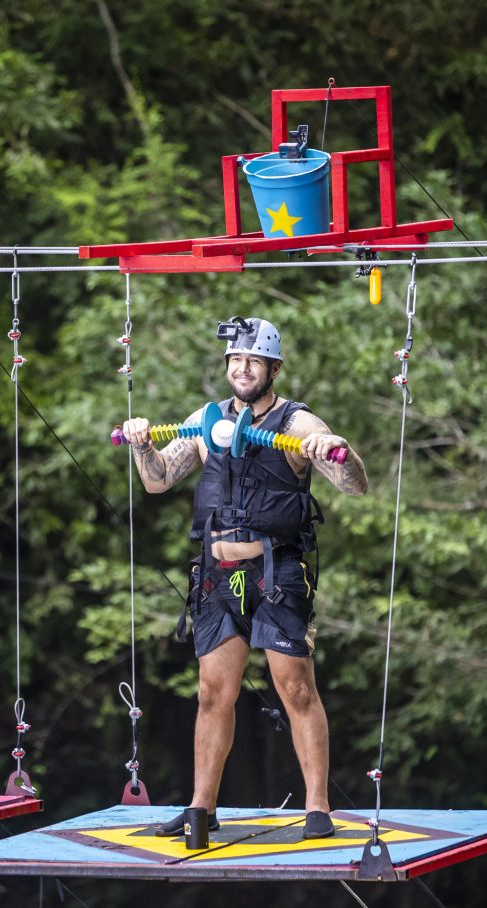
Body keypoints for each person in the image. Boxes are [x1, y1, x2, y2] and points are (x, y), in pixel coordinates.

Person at [121, 315, 368, 841]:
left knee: (295, 687)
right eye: (236, 359)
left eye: (254, 360)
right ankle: (201, 807)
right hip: (217, 575)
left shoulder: (295, 423)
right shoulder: (206, 420)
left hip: (276, 572)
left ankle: (318, 808)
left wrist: (336, 449)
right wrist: (142, 443)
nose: (243, 368)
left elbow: (354, 484)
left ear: (273, 368)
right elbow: (157, 480)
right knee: (213, 691)